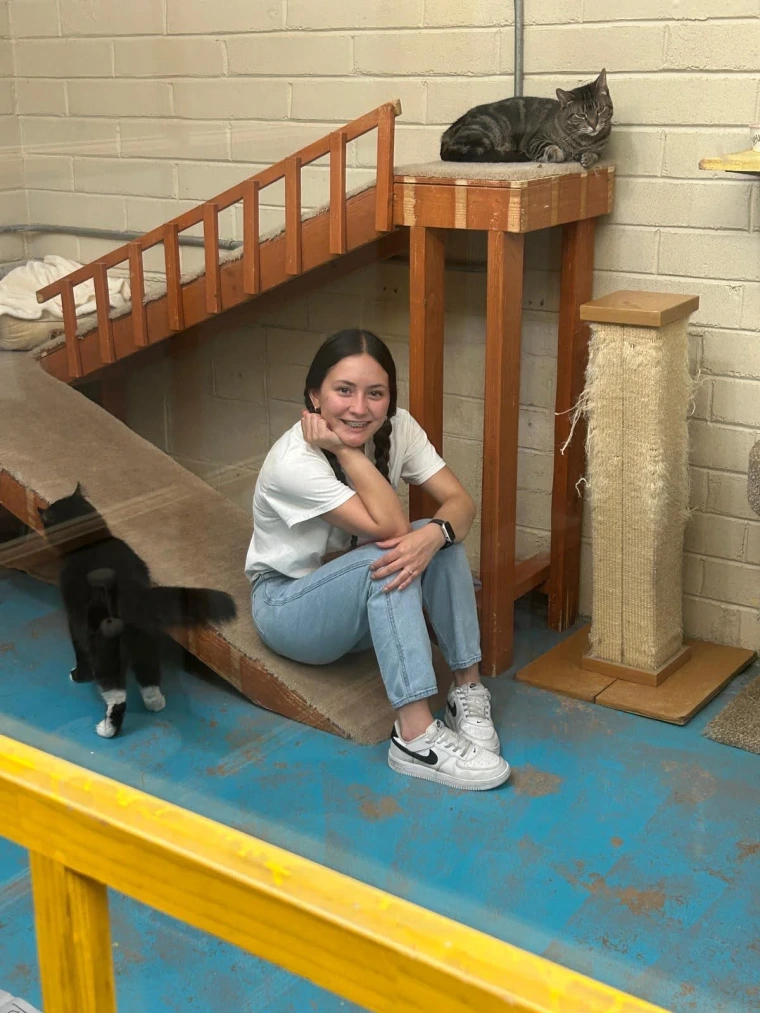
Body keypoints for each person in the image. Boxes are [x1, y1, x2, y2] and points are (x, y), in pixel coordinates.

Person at [245, 329, 510, 791]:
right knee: (395, 549)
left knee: (437, 536)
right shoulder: (294, 460)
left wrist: (437, 533)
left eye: (375, 394)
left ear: (389, 400)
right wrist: (346, 450)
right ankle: (414, 736)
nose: (359, 407)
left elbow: (461, 505)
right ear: (314, 395)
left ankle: (466, 690)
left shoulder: (399, 428)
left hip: (358, 609)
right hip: (289, 609)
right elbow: (389, 530)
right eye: (343, 390)